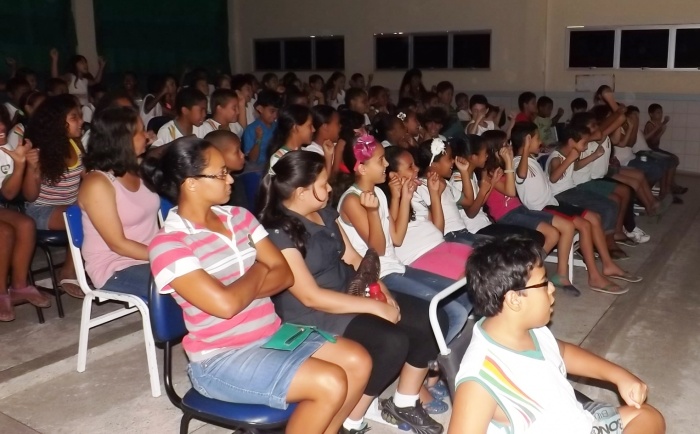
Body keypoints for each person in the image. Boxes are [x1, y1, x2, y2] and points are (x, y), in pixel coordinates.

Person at [143, 137, 370, 434]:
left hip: (273, 335)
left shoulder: (240, 217)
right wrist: (262, 267)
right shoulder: (169, 244)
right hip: (220, 358)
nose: (231, 179)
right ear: (192, 184)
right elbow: (226, 306)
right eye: (221, 173)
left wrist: (236, 289)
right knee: (330, 381)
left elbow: (284, 275)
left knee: (358, 361)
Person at [259, 150, 447, 433]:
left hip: (349, 291)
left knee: (431, 318)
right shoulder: (278, 232)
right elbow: (310, 296)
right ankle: (352, 419)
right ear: (301, 192)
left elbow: (353, 258)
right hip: (313, 313)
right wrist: (375, 307)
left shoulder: (324, 213)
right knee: (390, 342)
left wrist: (381, 289)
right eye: (323, 184)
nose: (329, 189)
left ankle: (405, 401)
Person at [449, 236, 666, 434]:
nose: (552, 288)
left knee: (649, 417)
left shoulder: (529, 329)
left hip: (577, 421)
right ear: (515, 300)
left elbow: (563, 352)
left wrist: (619, 376)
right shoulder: (482, 377)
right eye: (544, 283)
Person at [337, 134, 469, 344]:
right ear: (362, 168)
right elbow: (378, 250)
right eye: (381, 160)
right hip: (380, 276)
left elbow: (396, 238)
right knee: (454, 312)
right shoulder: (352, 201)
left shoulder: (377, 193)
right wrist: (372, 213)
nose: (386, 164)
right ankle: (437, 360)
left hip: (396, 267)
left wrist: (404, 197)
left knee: (465, 293)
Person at [515, 121, 639, 295]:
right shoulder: (518, 162)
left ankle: (607, 265)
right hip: (543, 208)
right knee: (586, 223)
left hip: (552, 203)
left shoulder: (530, 160)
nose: (541, 141)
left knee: (593, 218)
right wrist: (527, 149)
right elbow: (541, 176)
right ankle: (593, 276)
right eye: (536, 139)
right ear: (526, 141)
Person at [78, 106, 158, 297]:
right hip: (116, 266)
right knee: (187, 283)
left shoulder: (137, 169)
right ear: (123, 139)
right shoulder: (97, 183)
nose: (146, 136)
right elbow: (118, 244)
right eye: (140, 131)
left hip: (150, 257)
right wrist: (165, 255)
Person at [482, 130, 573, 269]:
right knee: (552, 234)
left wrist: (508, 163)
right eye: (505, 144)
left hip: (519, 209)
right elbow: (511, 192)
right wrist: (508, 163)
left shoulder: (505, 165)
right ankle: (529, 270)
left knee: (566, 226)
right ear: (495, 150)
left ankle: (559, 273)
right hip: (506, 215)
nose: (510, 146)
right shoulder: (488, 172)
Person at [22, 94, 83, 296]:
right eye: (74, 117)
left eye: (80, 116)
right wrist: (31, 168)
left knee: (95, 208)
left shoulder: (75, 144)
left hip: (70, 207)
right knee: (82, 215)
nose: (81, 121)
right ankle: (68, 271)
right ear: (59, 122)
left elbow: (88, 177)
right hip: (41, 211)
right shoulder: (41, 151)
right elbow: (30, 196)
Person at [382, 146, 473, 280]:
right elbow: (396, 238)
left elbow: (438, 230)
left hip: (441, 245)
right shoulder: (388, 202)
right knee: (470, 276)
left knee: (486, 261)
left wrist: (434, 194)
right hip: (421, 254)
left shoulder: (415, 194)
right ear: (394, 176)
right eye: (410, 167)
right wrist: (402, 198)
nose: (417, 169)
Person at [0, 109, 51, 321]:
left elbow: (9, 194)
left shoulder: (4, 151)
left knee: (26, 224)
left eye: (2, 122)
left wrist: (21, 164)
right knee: (4, 233)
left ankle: (19, 286)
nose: (2, 128)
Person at [643, 103, 686, 194]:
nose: (661, 114)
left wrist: (664, 122)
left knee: (674, 159)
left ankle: (672, 185)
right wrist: (662, 131)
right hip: (650, 150)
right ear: (651, 114)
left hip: (655, 149)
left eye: (661, 112)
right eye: (658, 112)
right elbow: (652, 142)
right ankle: (671, 186)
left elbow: (659, 128)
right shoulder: (649, 125)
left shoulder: (657, 123)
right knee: (672, 159)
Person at [203, 130, 247, 208]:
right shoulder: (213, 190)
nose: (242, 155)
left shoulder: (236, 183)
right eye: (237, 151)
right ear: (218, 154)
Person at [267, 104, 315, 170]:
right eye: (309, 126)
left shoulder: (305, 152)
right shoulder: (279, 158)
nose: (313, 130)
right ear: (295, 128)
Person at [242, 89, 281, 167]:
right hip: (257, 168)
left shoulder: (277, 126)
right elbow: (252, 159)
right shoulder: (251, 130)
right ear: (260, 109)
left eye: (277, 111)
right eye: (272, 111)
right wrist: (258, 140)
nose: (275, 115)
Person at [305, 105, 339, 175]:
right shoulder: (312, 154)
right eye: (337, 123)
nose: (340, 127)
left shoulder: (336, 145)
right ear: (325, 127)